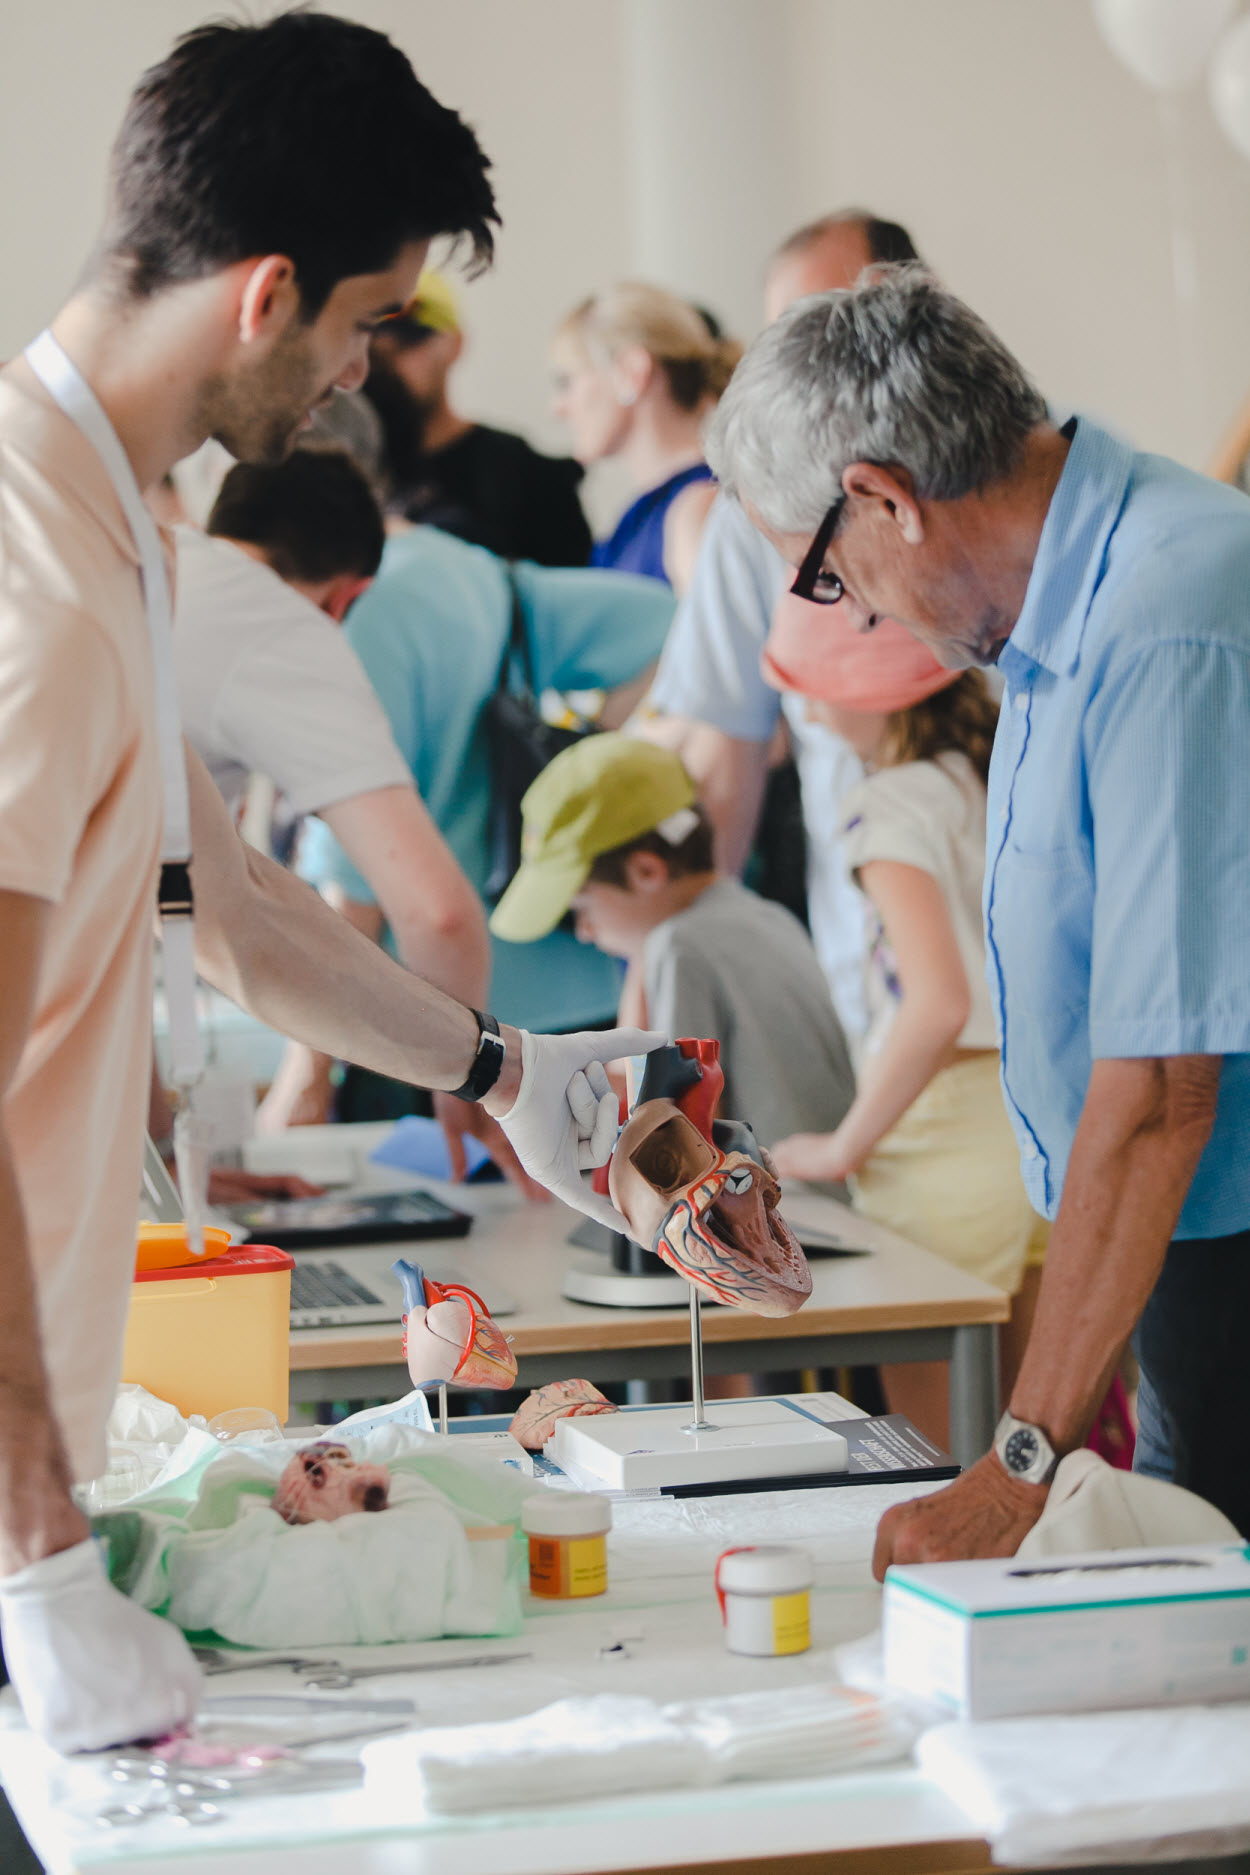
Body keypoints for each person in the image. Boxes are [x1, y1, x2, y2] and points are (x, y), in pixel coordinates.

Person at [0, 10, 661, 1757]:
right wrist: (39, 1559)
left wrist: (507, 1070)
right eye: (368, 323)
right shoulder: (34, 578)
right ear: (265, 293)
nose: (362, 374)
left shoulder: (124, 529)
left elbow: (226, 903)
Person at [706, 261, 1250, 1561]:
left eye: (825, 578)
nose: (854, 615)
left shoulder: (1166, 614)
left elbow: (1162, 1081)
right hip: (1172, 1242)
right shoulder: (1062, 611)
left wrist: (1015, 1463)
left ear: (884, 500)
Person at [174, 445, 535, 1189]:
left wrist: (170, 1168)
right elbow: (437, 913)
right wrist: (471, 1081)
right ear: (347, 599)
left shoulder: (151, 566)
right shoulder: (279, 627)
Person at [265, 528, 676, 1128]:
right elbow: (668, 625)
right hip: (576, 994)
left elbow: (356, 883)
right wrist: (609, 747)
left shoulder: (372, 618)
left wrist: (305, 1075)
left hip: (432, 1032)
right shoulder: (458, 568)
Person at [761, 602, 1045, 1444]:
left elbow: (938, 1002)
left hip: (943, 1145)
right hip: (1042, 1123)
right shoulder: (996, 773)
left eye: (816, 686)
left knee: (934, 1454)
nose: (809, 711)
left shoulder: (888, 805)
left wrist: (842, 1145)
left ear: (869, 688)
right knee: (1033, 1455)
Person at [639, 212, 922, 1043]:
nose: (807, 358)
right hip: (864, 974)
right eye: (786, 333)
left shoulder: (1000, 469)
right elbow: (722, 764)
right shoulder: (750, 517)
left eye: (827, 322)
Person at [489, 733, 855, 1155]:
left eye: (582, 907)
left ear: (647, 872)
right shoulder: (762, 914)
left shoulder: (680, 946)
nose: (585, 931)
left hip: (778, 1189)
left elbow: (681, 1132)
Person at [365, 269, 593, 566]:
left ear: (454, 344)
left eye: (403, 345)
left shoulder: (525, 475)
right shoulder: (350, 472)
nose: (387, 365)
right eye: (372, 351)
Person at [551, 284, 740, 593]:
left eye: (567, 381)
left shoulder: (695, 513)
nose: (558, 408)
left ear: (633, 370)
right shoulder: (647, 516)